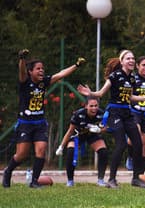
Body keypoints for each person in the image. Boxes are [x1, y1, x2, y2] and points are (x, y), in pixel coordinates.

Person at [2, 49, 85, 188]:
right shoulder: (24, 81)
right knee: (21, 155)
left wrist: (76, 65)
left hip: (40, 123)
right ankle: (8, 171)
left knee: (41, 150)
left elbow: (60, 74)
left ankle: (34, 181)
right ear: (30, 72)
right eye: (38, 69)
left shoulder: (44, 82)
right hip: (25, 124)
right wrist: (22, 58)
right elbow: (21, 71)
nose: (41, 71)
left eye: (42, 68)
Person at [77, 50, 145, 189]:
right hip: (115, 113)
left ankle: (136, 179)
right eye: (128, 58)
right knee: (121, 145)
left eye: (133, 58)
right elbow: (101, 93)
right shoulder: (114, 76)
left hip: (127, 113)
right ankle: (111, 179)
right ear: (122, 62)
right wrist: (90, 93)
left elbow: (131, 97)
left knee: (138, 144)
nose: (131, 60)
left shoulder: (132, 78)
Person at [55, 96, 108, 187]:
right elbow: (70, 131)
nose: (94, 108)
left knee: (103, 151)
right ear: (86, 106)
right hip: (77, 136)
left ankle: (100, 180)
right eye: (91, 106)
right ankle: (70, 181)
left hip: (92, 135)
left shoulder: (101, 114)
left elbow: (107, 127)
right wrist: (61, 146)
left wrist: (100, 130)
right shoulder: (78, 115)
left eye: (96, 106)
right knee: (71, 151)